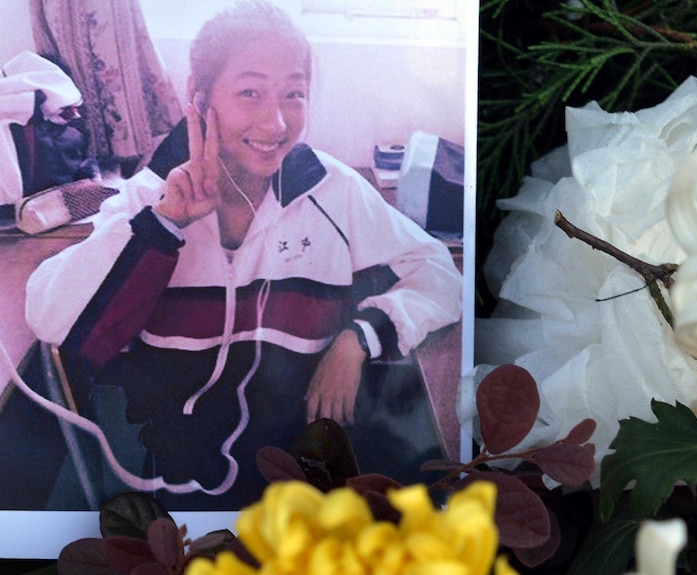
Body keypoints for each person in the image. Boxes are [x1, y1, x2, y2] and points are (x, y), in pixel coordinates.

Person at [24, 0, 461, 509]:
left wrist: (358, 338)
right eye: (249, 92)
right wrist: (163, 226)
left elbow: (438, 271)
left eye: (293, 94)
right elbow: (48, 316)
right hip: (179, 476)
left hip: (304, 461)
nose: (275, 121)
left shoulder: (332, 189)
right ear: (200, 96)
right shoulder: (149, 198)